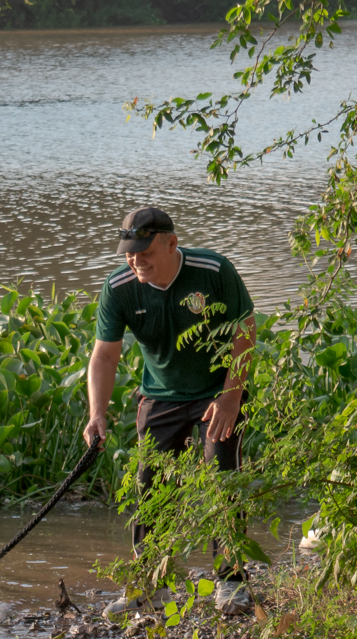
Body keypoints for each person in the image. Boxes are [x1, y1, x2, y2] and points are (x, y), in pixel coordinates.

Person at [81, 206, 257, 617]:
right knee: (151, 486)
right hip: (160, 394)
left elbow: (244, 330)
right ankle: (153, 585)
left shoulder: (212, 271)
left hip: (217, 390)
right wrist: (96, 414)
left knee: (222, 479)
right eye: (129, 251)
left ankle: (231, 583)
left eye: (145, 251)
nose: (136, 260)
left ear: (171, 242)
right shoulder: (120, 287)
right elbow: (104, 357)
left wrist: (232, 396)